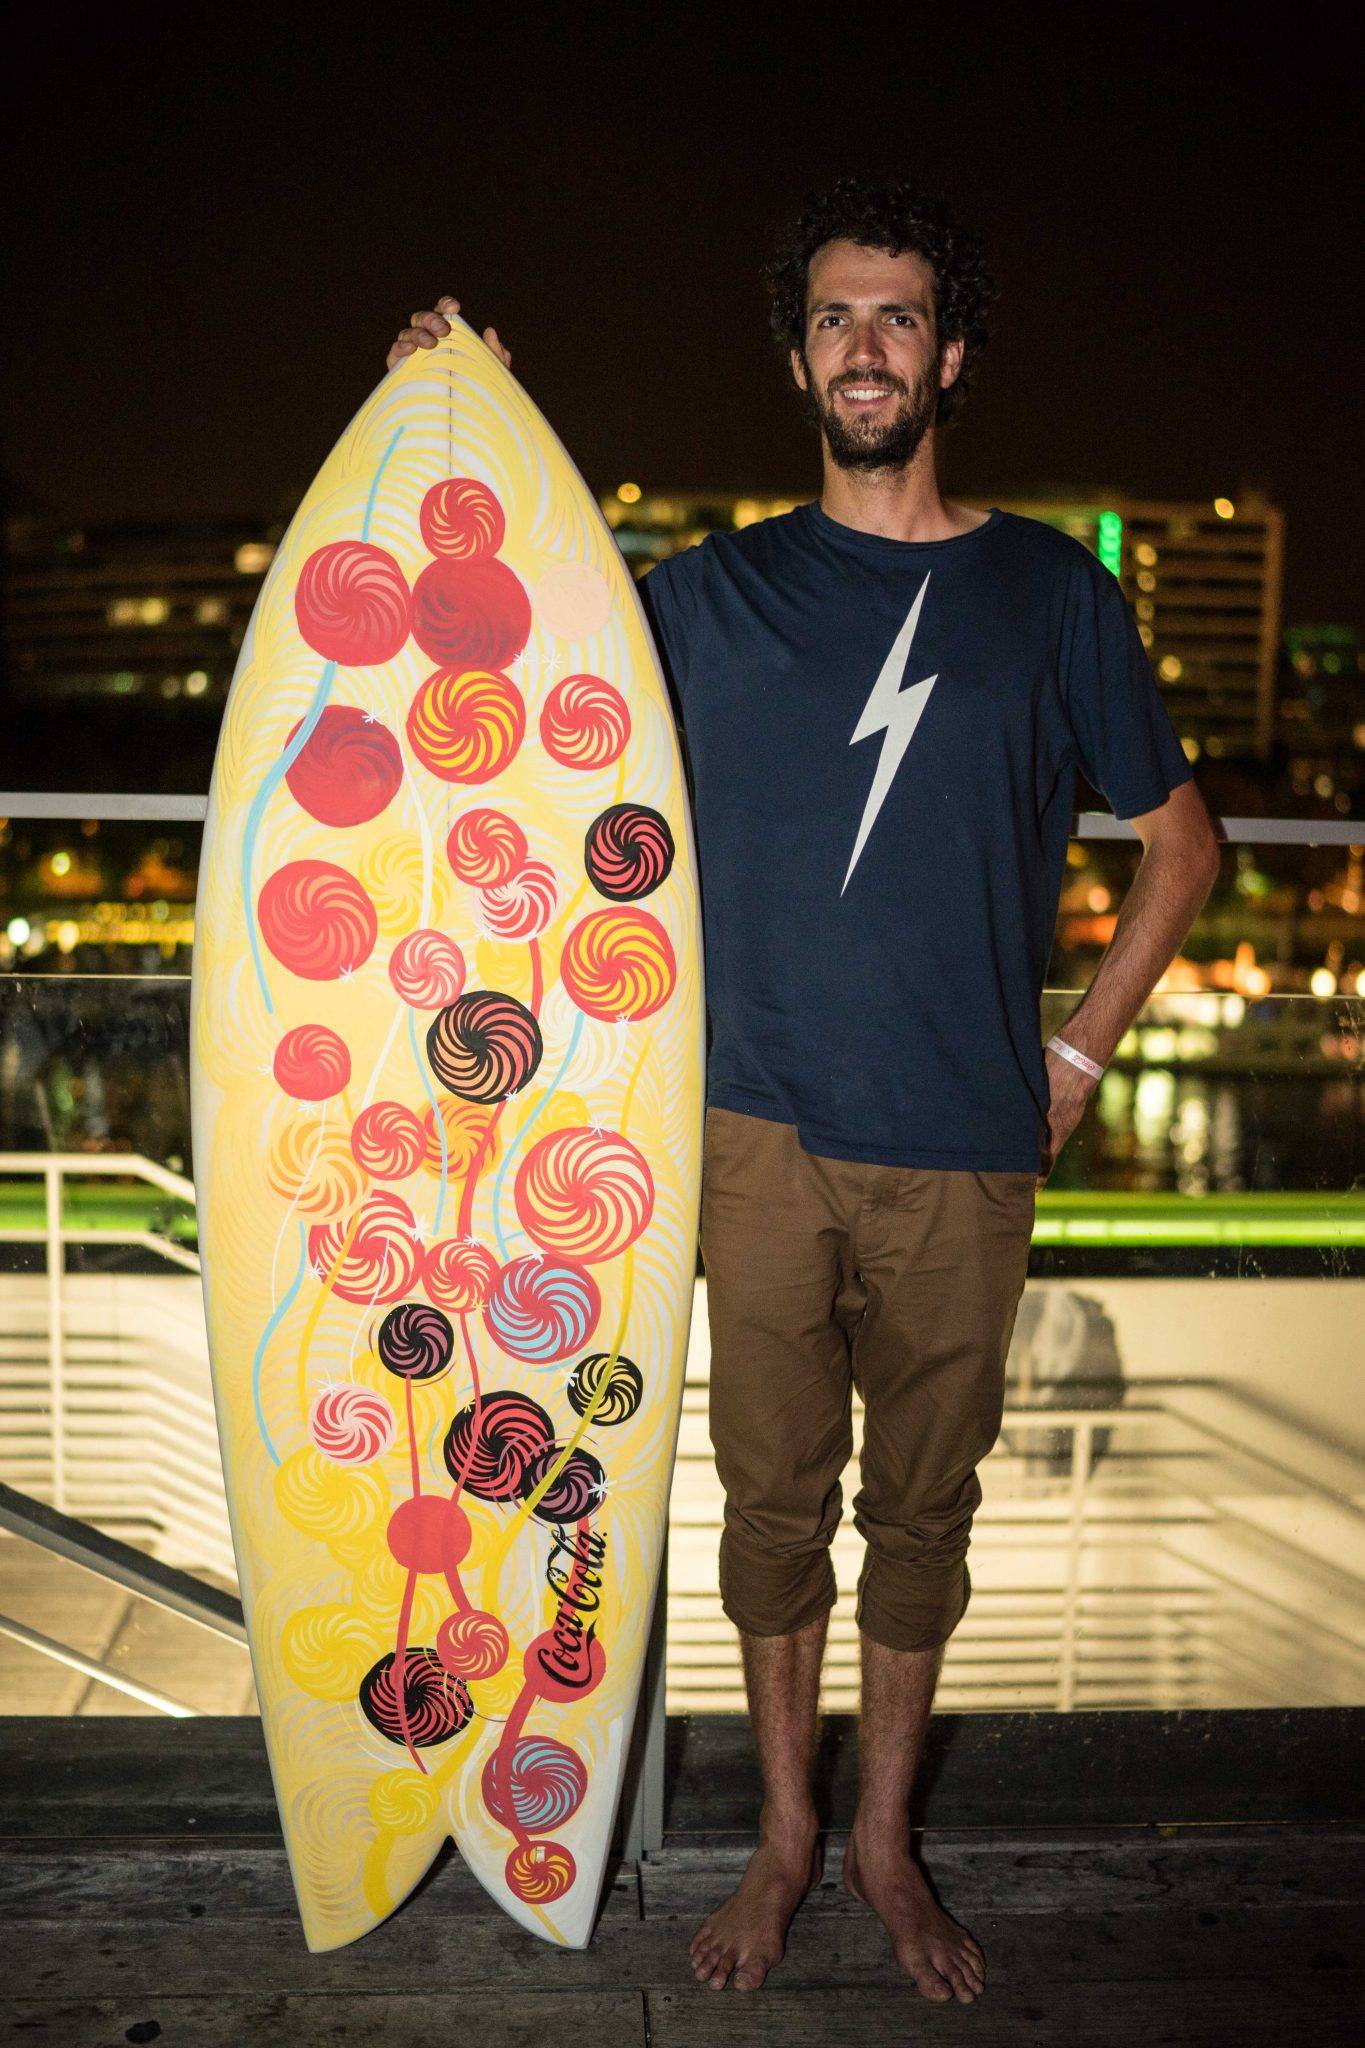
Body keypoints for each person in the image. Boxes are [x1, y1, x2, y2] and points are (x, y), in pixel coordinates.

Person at [386, 178, 1221, 2005]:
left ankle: (878, 1840)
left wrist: (1078, 1049)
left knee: (924, 1520)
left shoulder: (1049, 595)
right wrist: (463, 414)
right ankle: (781, 1838)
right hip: (748, 1138)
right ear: (796, 358)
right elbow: (528, 639)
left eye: (899, 317)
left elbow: (1182, 844)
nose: (865, 347)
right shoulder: (715, 595)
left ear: (952, 353)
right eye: (836, 319)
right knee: (770, 1513)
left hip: (963, 1146)